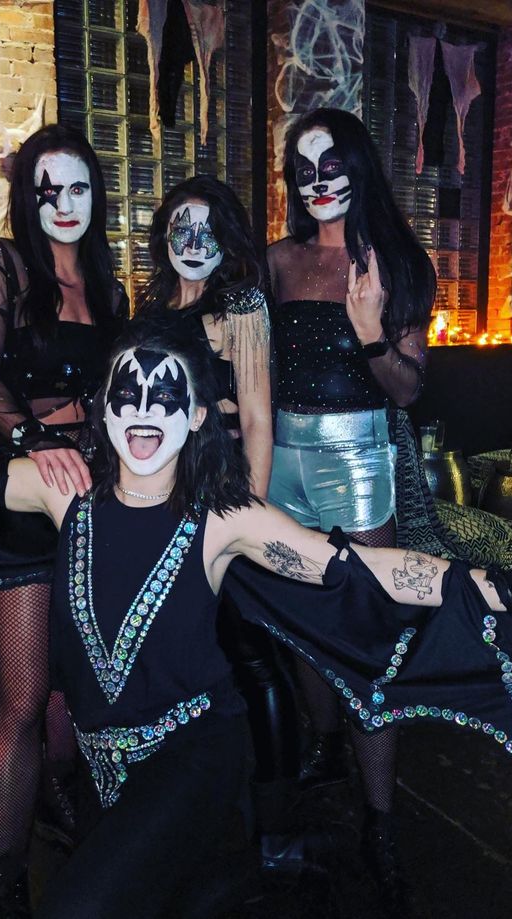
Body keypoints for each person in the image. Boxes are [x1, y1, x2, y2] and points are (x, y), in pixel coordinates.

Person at [0, 319, 512, 917]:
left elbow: (358, 566)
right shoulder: (64, 494)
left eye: (167, 397)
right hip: (105, 767)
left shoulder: (222, 516)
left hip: (197, 748)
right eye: (127, 393)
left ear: (195, 415)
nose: (144, 412)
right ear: (103, 406)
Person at [0, 123, 127, 916]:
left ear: (96, 194)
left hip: (95, 502)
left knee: (78, 684)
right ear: (28, 196)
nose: (63, 204)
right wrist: (34, 440)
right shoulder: (5, 263)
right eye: (47, 189)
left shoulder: (104, 279)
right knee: (22, 697)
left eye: (78, 187)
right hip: (29, 502)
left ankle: (64, 798)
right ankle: (6, 874)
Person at [266, 106, 436, 909]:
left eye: (330, 163)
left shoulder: (398, 261)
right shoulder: (278, 261)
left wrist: (370, 333)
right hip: (281, 463)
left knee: (367, 639)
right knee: (303, 619)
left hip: (361, 462)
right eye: (302, 168)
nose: (317, 180)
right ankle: (325, 744)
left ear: (359, 165)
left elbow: (408, 387)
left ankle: (379, 818)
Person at [137, 177, 315, 873]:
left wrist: (248, 522)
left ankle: (274, 827)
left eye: (207, 229)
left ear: (229, 239)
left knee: (250, 655)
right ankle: (191, 806)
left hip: (217, 505)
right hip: (156, 506)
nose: (192, 242)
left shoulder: (240, 304)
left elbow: (260, 418)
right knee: (186, 657)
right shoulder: (150, 303)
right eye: (181, 226)